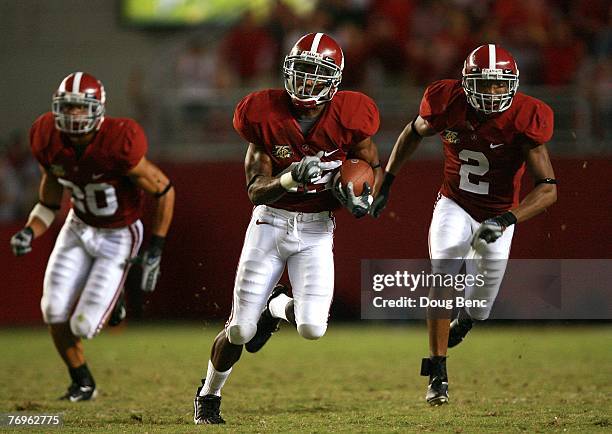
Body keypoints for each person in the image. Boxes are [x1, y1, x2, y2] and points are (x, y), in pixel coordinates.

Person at [192, 32, 382, 424]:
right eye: (301, 71)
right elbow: (255, 191)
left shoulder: (351, 116)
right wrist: (289, 179)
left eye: (317, 73)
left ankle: (276, 306)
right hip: (270, 223)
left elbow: (370, 167)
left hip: (316, 229)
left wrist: (363, 195)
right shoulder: (263, 115)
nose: (307, 81)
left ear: (334, 80)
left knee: (313, 327)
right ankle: (209, 394)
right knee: (241, 330)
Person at [371, 44, 557, 405]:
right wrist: (387, 180)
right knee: (443, 270)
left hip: (501, 211)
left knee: (482, 304)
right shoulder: (447, 102)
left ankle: (468, 319)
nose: (490, 93)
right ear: (466, 83)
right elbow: (412, 131)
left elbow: (548, 189)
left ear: (513, 85)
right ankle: (437, 372)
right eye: (482, 84)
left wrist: (505, 219)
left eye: (498, 85)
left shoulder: (526, 116)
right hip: (454, 203)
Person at [10, 72, 175, 401]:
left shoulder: (119, 141)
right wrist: (30, 230)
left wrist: (155, 247)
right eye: (67, 107)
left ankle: (117, 299)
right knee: (52, 309)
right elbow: (48, 201)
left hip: (119, 234)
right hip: (77, 226)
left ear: (98, 110)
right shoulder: (47, 137)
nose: (73, 115)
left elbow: (164, 190)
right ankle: (82, 381)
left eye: (80, 108)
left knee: (83, 325)